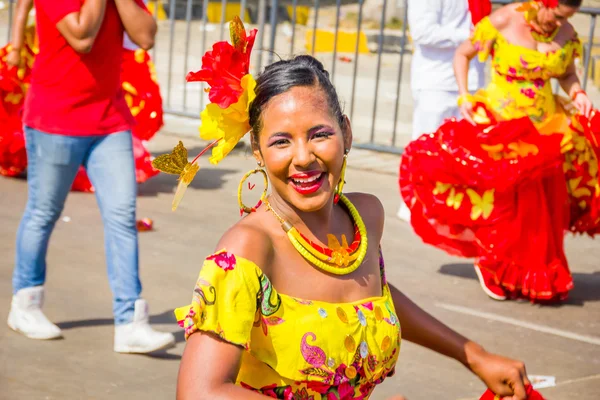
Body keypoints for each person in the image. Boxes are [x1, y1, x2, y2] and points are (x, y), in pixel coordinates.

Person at [152, 17, 533, 399]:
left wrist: (473, 355)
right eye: (281, 142)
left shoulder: (365, 218)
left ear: (346, 132)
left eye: (320, 134)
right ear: (257, 151)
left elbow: (372, 294)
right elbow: (200, 393)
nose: (303, 157)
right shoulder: (247, 249)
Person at [399, 0, 599, 302]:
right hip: (502, 124)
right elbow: (463, 54)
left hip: (545, 126)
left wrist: (579, 92)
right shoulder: (504, 19)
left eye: (567, 18)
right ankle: (491, 266)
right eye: (556, 15)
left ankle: (529, 274)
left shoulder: (567, 33)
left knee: (540, 209)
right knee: (507, 206)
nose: (558, 24)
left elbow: (567, 74)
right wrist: (465, 95)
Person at [7, 0, 175, 354]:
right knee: (43, 211)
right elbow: (81, 35)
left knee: (121, 217)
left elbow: (145, 36)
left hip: (108, 122)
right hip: (55, 121)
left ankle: (130, 321)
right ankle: (25, 304)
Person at [0, 0, 162, 190]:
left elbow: (146, 38)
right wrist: (17, 49)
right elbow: (24, 9)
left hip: (108, 99)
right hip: (52, 71)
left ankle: (97, 166)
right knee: (43, 209)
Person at [398, 0, 489, 221]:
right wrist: (470, 35)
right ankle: (416, 207)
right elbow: (422, 32)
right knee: (428, 149)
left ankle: (450, 208)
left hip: (471, 81)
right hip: (436, 81)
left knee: (461, 152)